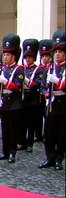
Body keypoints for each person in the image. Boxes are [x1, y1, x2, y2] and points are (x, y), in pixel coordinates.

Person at [39, 29, 66, 170]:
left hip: (63, 104)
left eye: (60, 52)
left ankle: (59, 158)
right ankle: (49, 157)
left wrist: (58, 82)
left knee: (61, 134)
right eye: (56, 52)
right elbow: (42, 85)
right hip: (51, 104)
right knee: (49, 133)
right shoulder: (49, 68)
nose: (57, 54)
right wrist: (46, 94)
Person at [0, 34, 24, 163]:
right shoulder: (2, 68)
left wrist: (5, 82)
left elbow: (17, 86)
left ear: (13, 56)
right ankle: (5, 151)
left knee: (13, 130)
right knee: (5, 129)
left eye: (8, 55)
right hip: (4, 102)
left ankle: (13, 152)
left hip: (14, 103)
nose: (5, 57)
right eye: (4, 54)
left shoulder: (19, 69)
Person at [18, 39, 44, 152]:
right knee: (22, 122)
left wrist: (28, 81)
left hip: (32, 98)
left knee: (31, 123)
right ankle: (22, 142)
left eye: (30, 57)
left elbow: (38, 83)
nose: (28, 59)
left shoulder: (39, 69)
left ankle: (30, 143)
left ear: (34, 57)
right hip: (23, 98)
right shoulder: (22, 68)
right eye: (26, 57)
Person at [36, 39, 54, 142]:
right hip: (41, 95)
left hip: (50, 96)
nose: (44, 58)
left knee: (48, 118)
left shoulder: (51, 68)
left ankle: (48, 135)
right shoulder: (39, 68)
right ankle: (39, 135)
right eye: (43, 56)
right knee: (39, 116)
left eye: (46, 56)